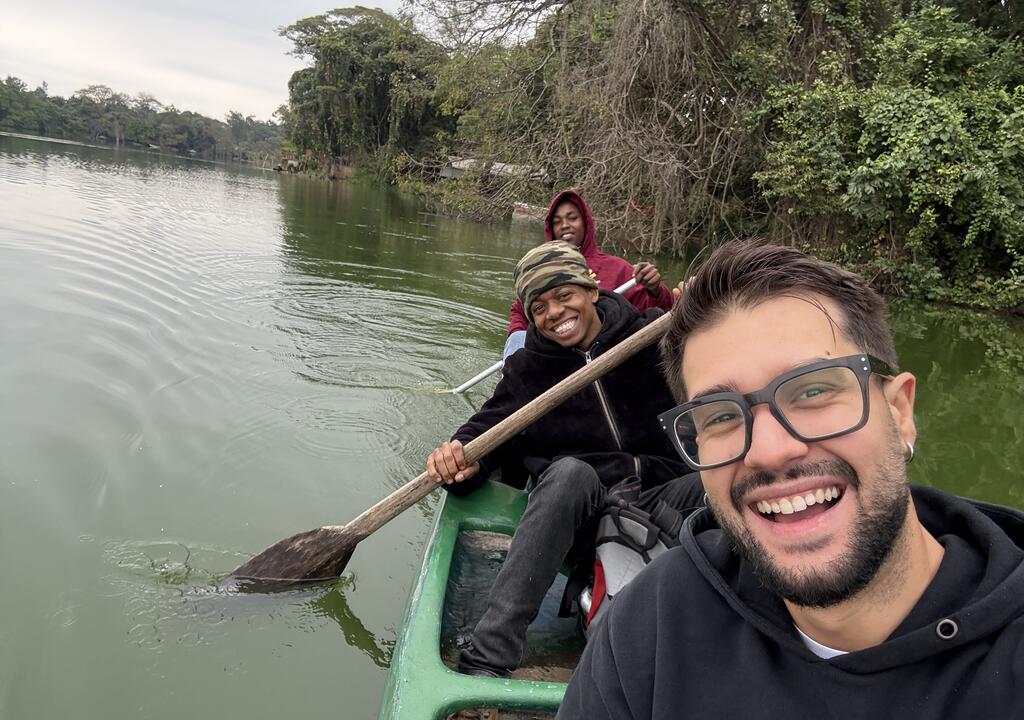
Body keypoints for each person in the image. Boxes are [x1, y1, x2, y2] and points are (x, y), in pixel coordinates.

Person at [557, 240, 1024, 718]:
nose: (769, 451)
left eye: (813, 391)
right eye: (721, 416)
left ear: (900, 412)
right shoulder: (653, 620)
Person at [427, 240, 702, 683]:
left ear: (591, 290)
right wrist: (460, 458)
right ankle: (487, 659)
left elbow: (719, 371)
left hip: (663, 498)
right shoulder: (527, 370)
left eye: (564, 295)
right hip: (582, 520)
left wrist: (702, 318)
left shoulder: (654, 334)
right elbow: (485, 432)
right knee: (570, 472)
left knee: (725, 479)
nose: (554, 313)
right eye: (539, 307)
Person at [503, 190, 672, 358]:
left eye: (572, 218)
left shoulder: (618, 268)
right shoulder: (539, 270)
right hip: (555, 359)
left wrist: (655, 290)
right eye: (557, 221)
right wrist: (517, 338)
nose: (565, 225)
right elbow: (520, 311)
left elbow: (657, 316)